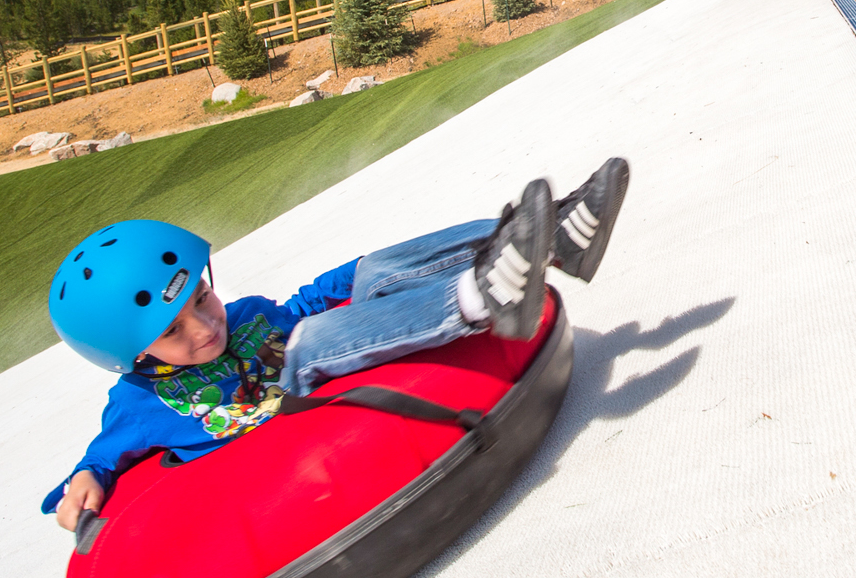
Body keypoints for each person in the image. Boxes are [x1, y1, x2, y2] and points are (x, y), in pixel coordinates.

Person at [45, 158, 629, 531]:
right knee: (310, 340)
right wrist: (85, 480)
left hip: (324, 361)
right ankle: (480, 300)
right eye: (172, 332)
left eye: (200, 297)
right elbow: (101, 458)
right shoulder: (140, 406)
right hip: (288, 422)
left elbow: (301, 304)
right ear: (136, 355)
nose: (204, 327)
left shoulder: (245, 316)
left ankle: (552, 236)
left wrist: (362, 277)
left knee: (369, 273)